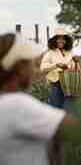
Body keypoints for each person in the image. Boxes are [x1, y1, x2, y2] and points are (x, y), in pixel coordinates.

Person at [0, 32, 74, 165]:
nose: (33, 69)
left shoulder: (5, 102)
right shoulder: (16, 104)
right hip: (56, 84)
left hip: (66, 84)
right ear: (20, 69)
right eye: (30, 64)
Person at [40, 29, 80, 109]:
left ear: (66, 41)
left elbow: (77, 70)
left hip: (70, 86)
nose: (61, 41)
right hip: (56, 85)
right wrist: (56, 65)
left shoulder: (70, 53)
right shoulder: (50, 53)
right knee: (55, 110)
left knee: (69, 110)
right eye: (58, 38)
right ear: (55, 40)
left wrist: (76, 62)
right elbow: (42, 68)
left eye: (63, 39)